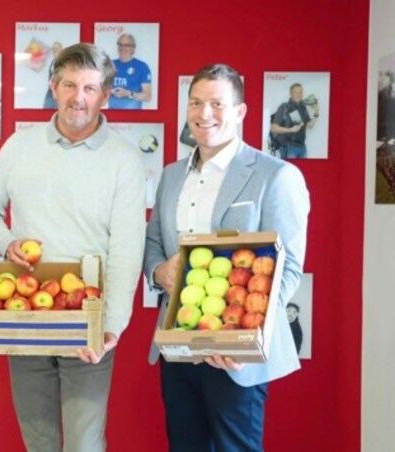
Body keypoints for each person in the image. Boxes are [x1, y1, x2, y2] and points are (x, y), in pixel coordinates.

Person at [0, 43, 146, 451]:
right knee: (38, 442)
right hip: (26, 312)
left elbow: (126, 248)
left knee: (84, 444)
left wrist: (112, 326)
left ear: (105, 95)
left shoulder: (125, 160)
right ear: (53, 87)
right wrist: (6, 242)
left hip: (88, 320)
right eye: (69, 85)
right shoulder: (20, 145)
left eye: (89, 88)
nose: (78, 97)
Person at [144, 64, 310, 451]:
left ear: (240, 112)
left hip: (237, 356)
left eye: (217, 103)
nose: (205, 114)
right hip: (180, 342)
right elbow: (154, 243)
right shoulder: (170, 175)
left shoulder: (276, 176)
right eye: (196, 102)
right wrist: (158, 271)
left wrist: (241, 341)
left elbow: (288, 269)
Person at [270, 83, 320, 158]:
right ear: (291, 93)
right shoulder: (284, 107)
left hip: (302, 148)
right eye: (296, 92)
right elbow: (273, 128)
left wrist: (316, 113)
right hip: (289, 147)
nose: (299, 95)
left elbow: (309, 125)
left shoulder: (303, 107)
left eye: (300, 92)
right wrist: (290, 130)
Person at [108, 33, 152, 109]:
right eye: (120, 44)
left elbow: (147, 96)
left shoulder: (142, 67)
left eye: (126, 45)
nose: (122, 48)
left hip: (133, 117)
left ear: (133, 48)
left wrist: (128, 93)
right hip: (112, 115)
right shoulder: (109, 65)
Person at [43, 41, 63, 109]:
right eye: (53, 50)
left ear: (61, 51)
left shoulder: (64, 64)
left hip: (59, 92)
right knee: (46, 110)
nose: (55, 52)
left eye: (57, 50)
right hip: (50, 91)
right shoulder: (52, 62)